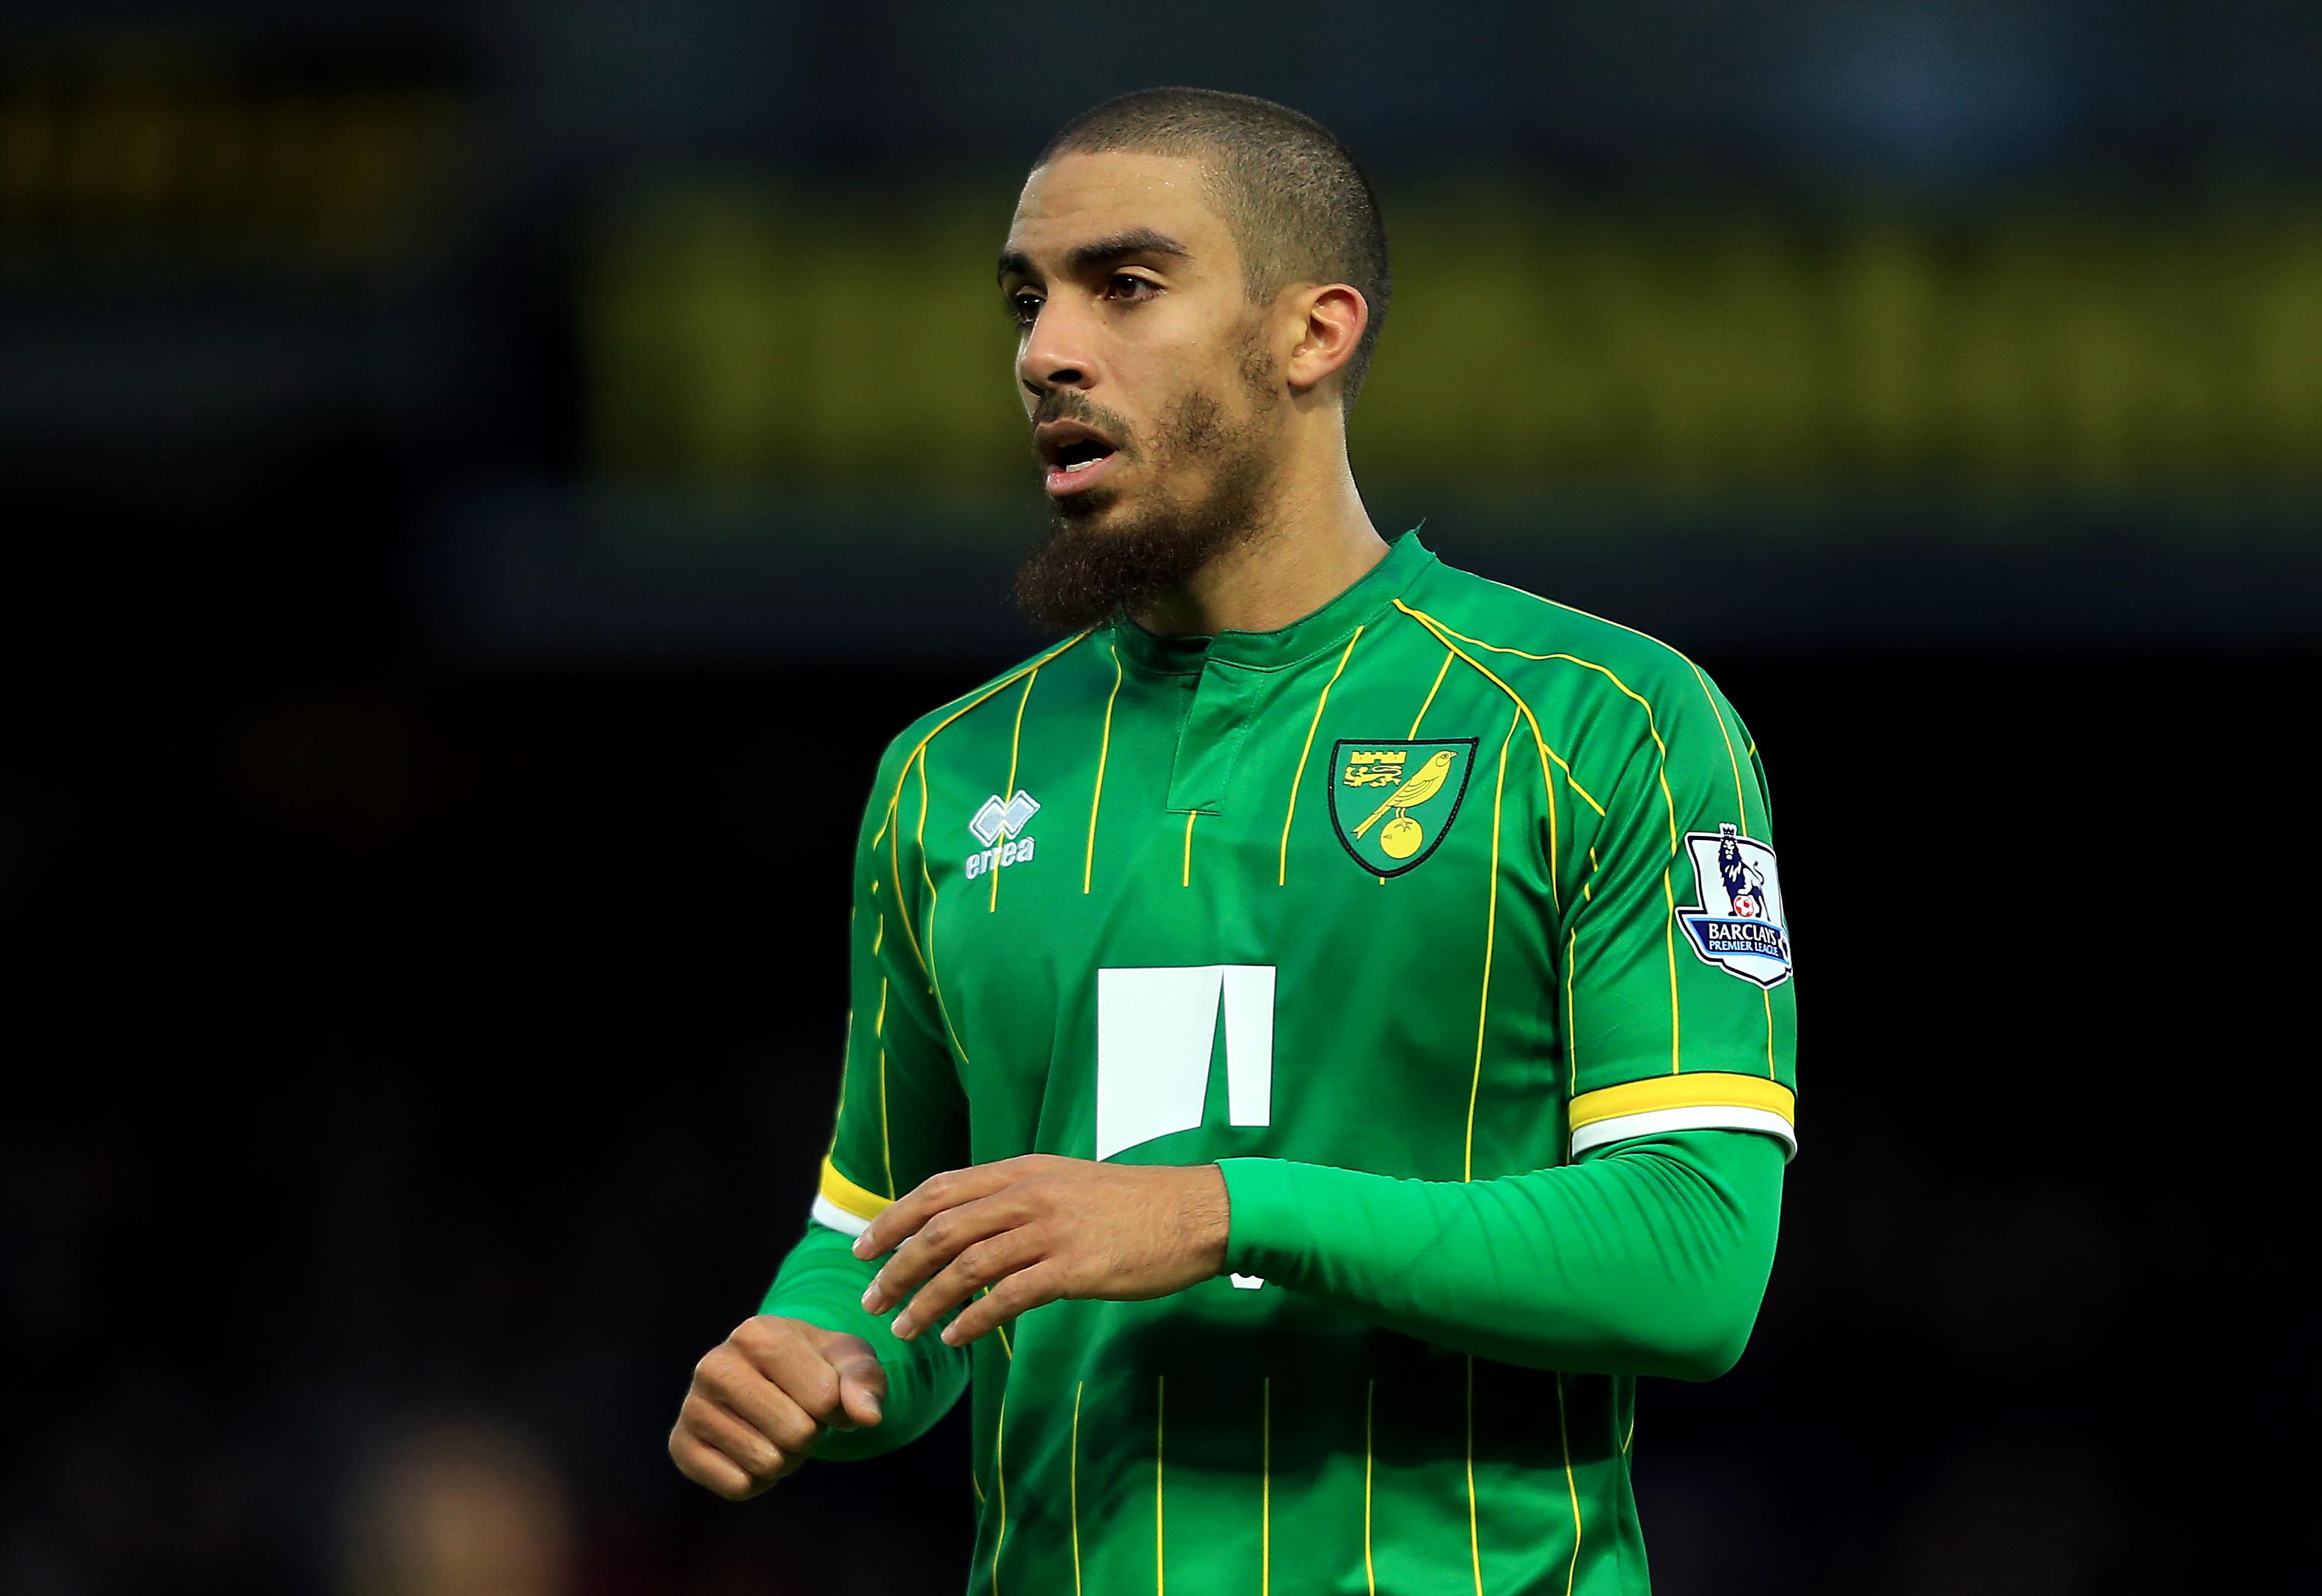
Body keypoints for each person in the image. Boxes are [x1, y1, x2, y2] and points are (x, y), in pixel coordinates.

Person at [669, 86, 1797, 1595]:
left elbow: (1692, 1256)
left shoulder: (1604, 721)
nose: (1046, 352)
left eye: (1125, 285)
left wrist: (1222, 1211)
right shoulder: (947, 776)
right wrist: (821, 1352)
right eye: (1026, 299)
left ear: (1312, 334)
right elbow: (883, 1239)